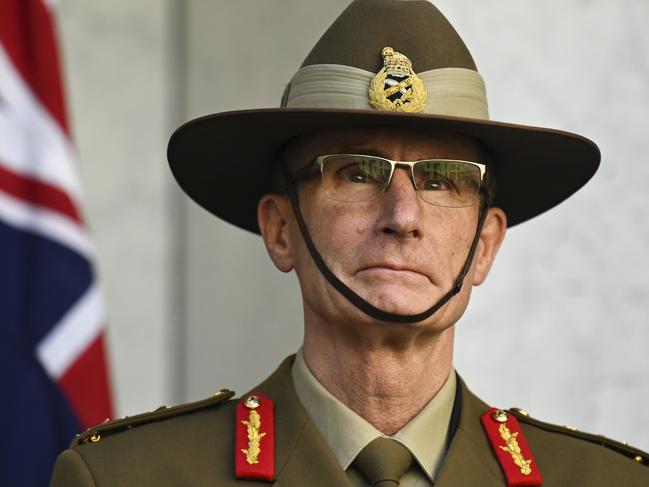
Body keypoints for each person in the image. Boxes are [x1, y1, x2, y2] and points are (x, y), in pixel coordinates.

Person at [51, 1, 648, 485]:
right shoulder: (127, 477)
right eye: (358, 173)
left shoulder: (607, 481)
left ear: (486, 244)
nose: (403, 216)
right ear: (280, 230)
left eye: (442, 179)